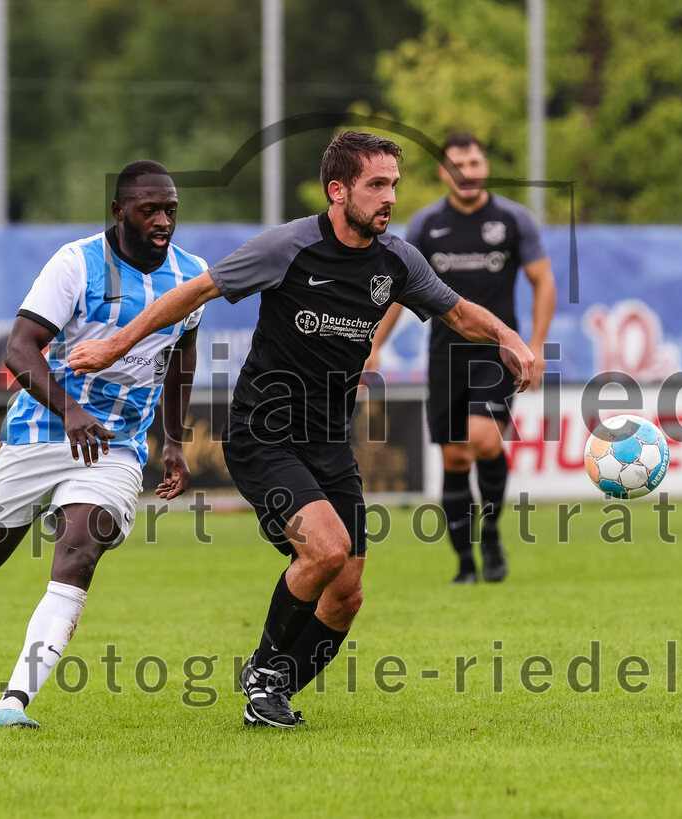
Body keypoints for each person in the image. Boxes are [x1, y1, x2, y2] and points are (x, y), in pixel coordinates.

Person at [68, 131, 535, 729]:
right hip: (263, 434)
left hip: (329, 442)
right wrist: (114, 344)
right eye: (376, 184)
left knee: (348, 593)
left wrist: (510, 339)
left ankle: (275, 691)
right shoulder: (288, 246)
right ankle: (264, 672)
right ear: (337, 191)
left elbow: (458, 311)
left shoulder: (398, 259)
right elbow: (196, 291)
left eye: (394, 184)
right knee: (328, 549)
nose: (390, 197)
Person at [0, 160, 204, 728]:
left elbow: (182, 355)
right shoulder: (76, 263)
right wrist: (72, 411)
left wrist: (174, 440)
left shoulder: (191, 275)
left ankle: (13, 704)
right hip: (41, 430)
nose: (163, 221)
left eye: (171, 210)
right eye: (149, 210)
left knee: (82, 545)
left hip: (116, 443)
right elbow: (19, 349)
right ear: (119, 212)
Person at [366, 132, 556, 585]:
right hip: (445, 354)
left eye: (474, 163)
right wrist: (374, 345)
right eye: (458, 165)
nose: (467, 173)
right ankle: (466, 563)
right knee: (454, 459)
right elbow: (400, 290)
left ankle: (490, 533)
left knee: (484, 441)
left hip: (497, 354)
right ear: (443, 172)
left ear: (484, 167)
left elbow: (543, 281)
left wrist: (537, 345)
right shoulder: (427, 225)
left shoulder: (513, 221)